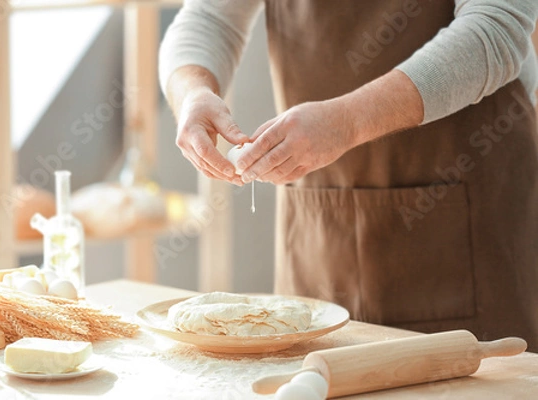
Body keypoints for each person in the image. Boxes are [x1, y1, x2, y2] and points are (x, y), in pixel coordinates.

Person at [159, 0, 538, 351]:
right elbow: (209, 18)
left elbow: (495, 28)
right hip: (322, 239)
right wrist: (192, 94)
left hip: (473, 228)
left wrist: (348, 122)